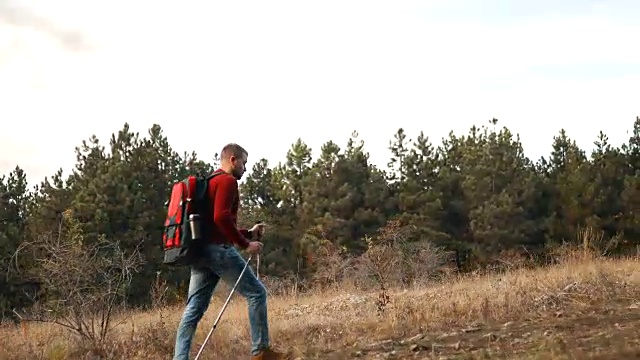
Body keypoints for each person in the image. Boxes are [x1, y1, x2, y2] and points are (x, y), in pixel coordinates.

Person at [173, 143, 285, 360]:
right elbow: (221, 218)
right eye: (244, 162)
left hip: (201, 252)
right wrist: (246, 245)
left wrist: (248, 233)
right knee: (257, 293)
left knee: (194, 309)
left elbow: (216, 225)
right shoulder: (227, 181)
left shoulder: (210, 182)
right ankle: (261, 352)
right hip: (218, 252)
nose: (245, 168)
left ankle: (180, 358)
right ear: (233, 160)